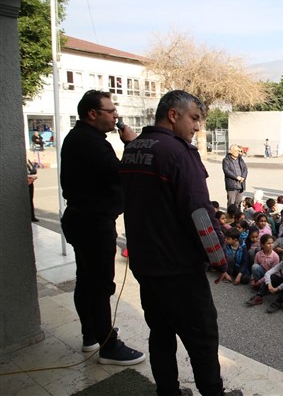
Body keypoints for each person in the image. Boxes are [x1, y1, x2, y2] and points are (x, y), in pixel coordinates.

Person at [120, 90, 240, 396]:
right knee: (202, 339)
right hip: (177, 269)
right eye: (195, 118)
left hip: (146, 265)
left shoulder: (133, 148)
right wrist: (220, 260)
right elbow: (200, 215)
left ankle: (168, 392)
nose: (198, 127)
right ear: (173, 115)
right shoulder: (177, 153)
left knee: (160, 333)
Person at [60, 90, 145, 365]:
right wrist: (132, 145)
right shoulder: (91, 142)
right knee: (99, 285)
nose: (116, 115)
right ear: (92, 114)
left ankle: (91, 335)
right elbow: (122, 173)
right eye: (110, 111)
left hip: (83, 220)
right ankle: (107, 345)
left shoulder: (82, 138)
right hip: (92, 223)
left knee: (86, 280)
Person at [222, 144, 248, 209]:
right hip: (232, 185)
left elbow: (245, 169)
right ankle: (230, 217)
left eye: (239, 151)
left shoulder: (240, 159)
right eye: (236, 151)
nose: (238, 152)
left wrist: (243, 177)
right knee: (231, 203)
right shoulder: (226, 160)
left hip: (241, 184)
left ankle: (238, 217)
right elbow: (226, 171)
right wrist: (236, 177)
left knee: (238, 203)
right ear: (231, 151)